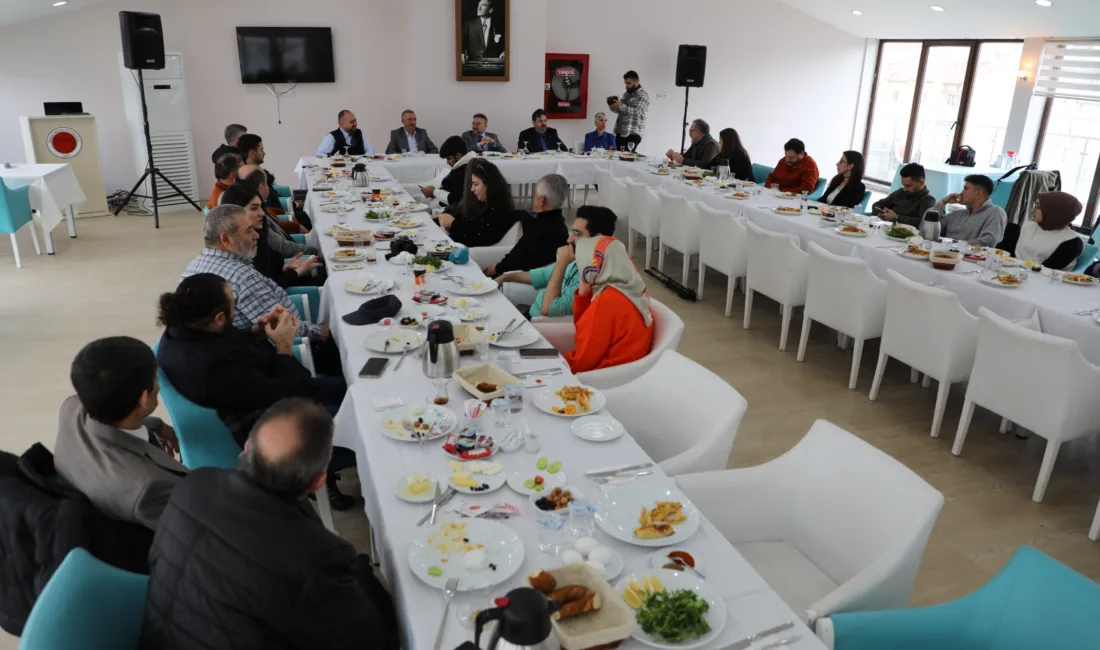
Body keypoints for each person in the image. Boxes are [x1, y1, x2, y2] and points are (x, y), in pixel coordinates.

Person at [139, 399, 398, 650]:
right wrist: (355, 565)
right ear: (317, 482)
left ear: (246, 448)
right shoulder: (313, 556)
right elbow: (379, 640)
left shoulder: (193, 484)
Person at [154, 275, 354, 509]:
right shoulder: (212, 367)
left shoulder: (185, 329)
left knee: (355, 388)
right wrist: (283, 345)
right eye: (233, 302)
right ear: (218, 318)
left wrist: (257, 330)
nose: (236, 304)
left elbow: (232, 343)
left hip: (269, 390)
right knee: (362, 422)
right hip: (272, 426)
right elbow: (287, 393)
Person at [54, 337, 187, 530]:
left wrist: (154, 425)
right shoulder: (149, 488)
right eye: (155, 377)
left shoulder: (71, 408)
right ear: (144, 398)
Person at [181, 205, 324, 340]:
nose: (256, 235)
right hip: (283, 344)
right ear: (226, 239)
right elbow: (284, 327)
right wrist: (322, 332)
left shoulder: (194, 265)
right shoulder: (242, 276)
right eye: (249, 231)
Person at [498, 205, 617, 319]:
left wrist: (561, 263)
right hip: (530, 312)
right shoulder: (579, 259)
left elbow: (548, 309)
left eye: (577, 234)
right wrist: (505, 277)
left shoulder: (591, 278)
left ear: (597, 239)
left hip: (539, 326)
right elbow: (542, 275)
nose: (569, 239)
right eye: (572, 233)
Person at [563, 235, 654, 374]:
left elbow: (581, 362)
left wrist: (553, 364)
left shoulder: (607, 301)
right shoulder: (633, 289)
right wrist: (584, 296)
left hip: (601, 376)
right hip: (626, 373)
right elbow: (586, 334)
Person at [220, 184, 322, 288]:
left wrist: (286, 267)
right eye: (254, 208)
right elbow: (264, 287)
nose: (262, 213)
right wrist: (298, 272)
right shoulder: (242, 246)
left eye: (261, 207)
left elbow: (267, 275)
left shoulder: (259, 233)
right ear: (236, 213)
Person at [484, 174, 569, 278]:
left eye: (535, 195)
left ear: (542, 200)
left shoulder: (539, 230)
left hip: (513, 280)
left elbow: (517, 260)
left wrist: (497, 268)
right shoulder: (561, 227)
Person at [439, 158, 522, 247]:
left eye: (476, 184)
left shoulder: (499, 211)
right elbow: (472, 228)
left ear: (489, 185)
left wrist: (453, 224)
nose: (472, 189)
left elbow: (479, 238)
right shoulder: (487, 205)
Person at [922, 175, 1007, 247]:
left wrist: (955, 245)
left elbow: (989, 240)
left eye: (965, 189)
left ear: (978, 194)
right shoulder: (957, 214)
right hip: (944, 254)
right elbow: (926, 228)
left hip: (971, 259)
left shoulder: (996, 212)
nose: (961, 193)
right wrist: (943, 202)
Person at [1015, 191, 1084, 270]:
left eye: (1037, 207)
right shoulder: (1028, 226)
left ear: (1055, 212)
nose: (1032, 211)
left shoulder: (1072, 241)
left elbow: (1046, 270)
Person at [238, 164, 308, 234]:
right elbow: (276, 229)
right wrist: (297, 227)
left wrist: (283, 212)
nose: (262, 213)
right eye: (266, 183)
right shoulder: (259, 217)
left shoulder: (245, 203)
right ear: (261, 188)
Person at [872, 163, 936, 227]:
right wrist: (881, 213)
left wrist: (896, 217)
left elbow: (922, 222)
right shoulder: (900, 192)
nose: (905, 189)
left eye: (908, 185)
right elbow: (876, 205)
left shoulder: (928, 200)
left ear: (921, 183)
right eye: (903, 185)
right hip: (885, 228)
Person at [421, 136, 477, 208]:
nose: (447, 162)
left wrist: (434, 191)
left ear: (458, 155)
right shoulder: (464, 165)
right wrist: (434, 192)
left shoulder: (464, 170)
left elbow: (454, 199)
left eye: (449, 158)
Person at [236, 133, 284, 214]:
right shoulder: (249, 176)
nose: (264, 153)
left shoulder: (255, 172)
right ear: (252, 153)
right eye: (261, 150)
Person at [610, 70, 649, 151]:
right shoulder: (626, 94)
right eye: (625, 83)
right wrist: (613, 105)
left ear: (637, 82)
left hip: (632, 133)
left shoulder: (643, 95)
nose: (626, 86)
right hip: (621, 132)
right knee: (619, 156)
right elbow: (620, 110)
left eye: (629, 83)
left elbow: (636, 112)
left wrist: (620, 105)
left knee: (627, 157)